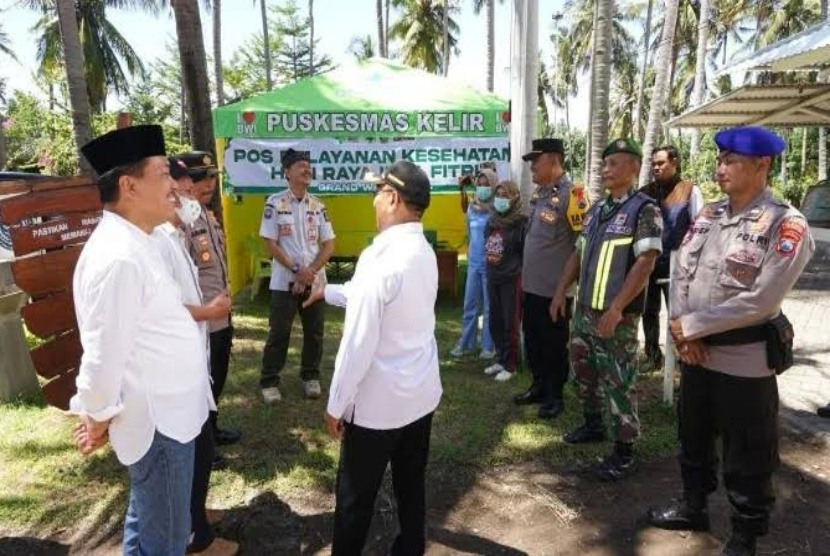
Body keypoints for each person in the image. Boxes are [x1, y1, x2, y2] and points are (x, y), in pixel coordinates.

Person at [648, 127, 815, 556]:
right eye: (720, 159)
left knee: (749, 452)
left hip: (744, 360)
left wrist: (694, 327)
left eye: (732, 161)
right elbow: (681, 268)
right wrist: (684, 331)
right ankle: (693, 504)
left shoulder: (786, 222)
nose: (720, 168)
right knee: (693, 436)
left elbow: (762, 300)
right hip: (697, 354)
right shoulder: (710, 215)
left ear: (763, 165)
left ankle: (744, 534)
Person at [70, 125, 213, 554]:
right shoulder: (119, 257)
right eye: (163, 174)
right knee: (165, 541)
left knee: (148, 527)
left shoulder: (139, 241)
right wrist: (95, 413)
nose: (175, 186)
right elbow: (102, 353)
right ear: (129, 185)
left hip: (169, 419)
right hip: (159, 426)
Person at [305, 160, 442, 555]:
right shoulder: (422, 250)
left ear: (393, 197)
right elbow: (378, 300)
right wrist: (328, 292)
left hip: (378, 408)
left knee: (354, 501)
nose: (374, 200)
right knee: (410, 487)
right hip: (419, 397)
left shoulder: (379, 258)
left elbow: (357, 343)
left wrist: (336, 405)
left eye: (377, 192)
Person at [551, 138, 663, 482]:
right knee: (583, 370)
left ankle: (624, 451)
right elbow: (578, 252)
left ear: (632, 168)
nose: (606, 170)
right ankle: (594, 424)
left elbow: (645, 262)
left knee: (619, 380)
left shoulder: (645, 210)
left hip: (617, 316)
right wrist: (560, 293)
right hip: (585, 311)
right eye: (605, 164)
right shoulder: (597, 209)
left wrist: (616, 309)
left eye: (614, 164)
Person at [151, 158, 237, 555]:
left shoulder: (172, 231)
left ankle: (195, 517)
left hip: (195, 347)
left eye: (183, 185)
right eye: (177, 186)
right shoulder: (158, 239)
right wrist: (208, 313)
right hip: (177, 360)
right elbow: (167, 307)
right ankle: (194, 532)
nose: (183, 193)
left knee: (200, 443)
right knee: (191, 450)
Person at [516, 138, 589, 420]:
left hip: (554, 291)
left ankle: (554, 396)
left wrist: (562, 291)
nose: (532, 166)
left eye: (537, 159)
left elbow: (580, 247)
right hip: (532, 286)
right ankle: (538, 386)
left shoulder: (575, 195)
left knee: (554, 344)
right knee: (533, 340)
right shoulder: (539, 195)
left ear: (554, 160)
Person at [259, 148, 335, 403]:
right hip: (284, 282)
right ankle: (269, 381)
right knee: (279, 332)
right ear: (287, 171)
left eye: (308, 164)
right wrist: (296, 270)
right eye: (301, 165)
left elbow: (329, 245)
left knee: (315, 332)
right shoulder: (274, 202)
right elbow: (270, 244)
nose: (307, 168)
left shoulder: (318, 205)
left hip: (313, 281)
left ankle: (310, 376)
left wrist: (309, 273)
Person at [178, 151, 242, 451]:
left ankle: (212, 431)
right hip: (202, 317)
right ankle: (204, 444)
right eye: (199, 179)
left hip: (221, 313)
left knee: (217, 377)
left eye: (211, 178)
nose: (208, 185)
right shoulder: (184, 219)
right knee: (204, 381)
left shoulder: (206, 214)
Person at [639, 146, 704, 369]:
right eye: (654, 164)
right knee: (648, 310)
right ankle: (652, 356)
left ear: (674, 162)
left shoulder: (690, 191)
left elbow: (700, 228)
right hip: (648, 263)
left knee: (677, 313)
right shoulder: (644, 192)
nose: (656, 168)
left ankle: (681, 360)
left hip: (677, 264)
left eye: (661, 163)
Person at [450, 168, 496, 360]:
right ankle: (466, 343)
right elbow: (470, 232)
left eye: (487, 185)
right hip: (474, 263)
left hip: (490, 264)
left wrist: (489, 209)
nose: (483, 188)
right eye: (480, 184)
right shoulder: (471, 208)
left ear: (493, 186)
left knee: (488, 307)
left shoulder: (496, 209)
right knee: (470, 304)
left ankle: (488, 346)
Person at [483, 180, 526, 382]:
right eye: (498, 195)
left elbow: (523, 252)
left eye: (505, 195)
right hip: (493, 277)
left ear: (515, 198)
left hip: (511, 278)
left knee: (510, 322)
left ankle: (511, 365)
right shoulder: (491, 221)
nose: (500, 199)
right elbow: (487, 244)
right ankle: (500, 359)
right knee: (495, 321)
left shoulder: (520, 222)